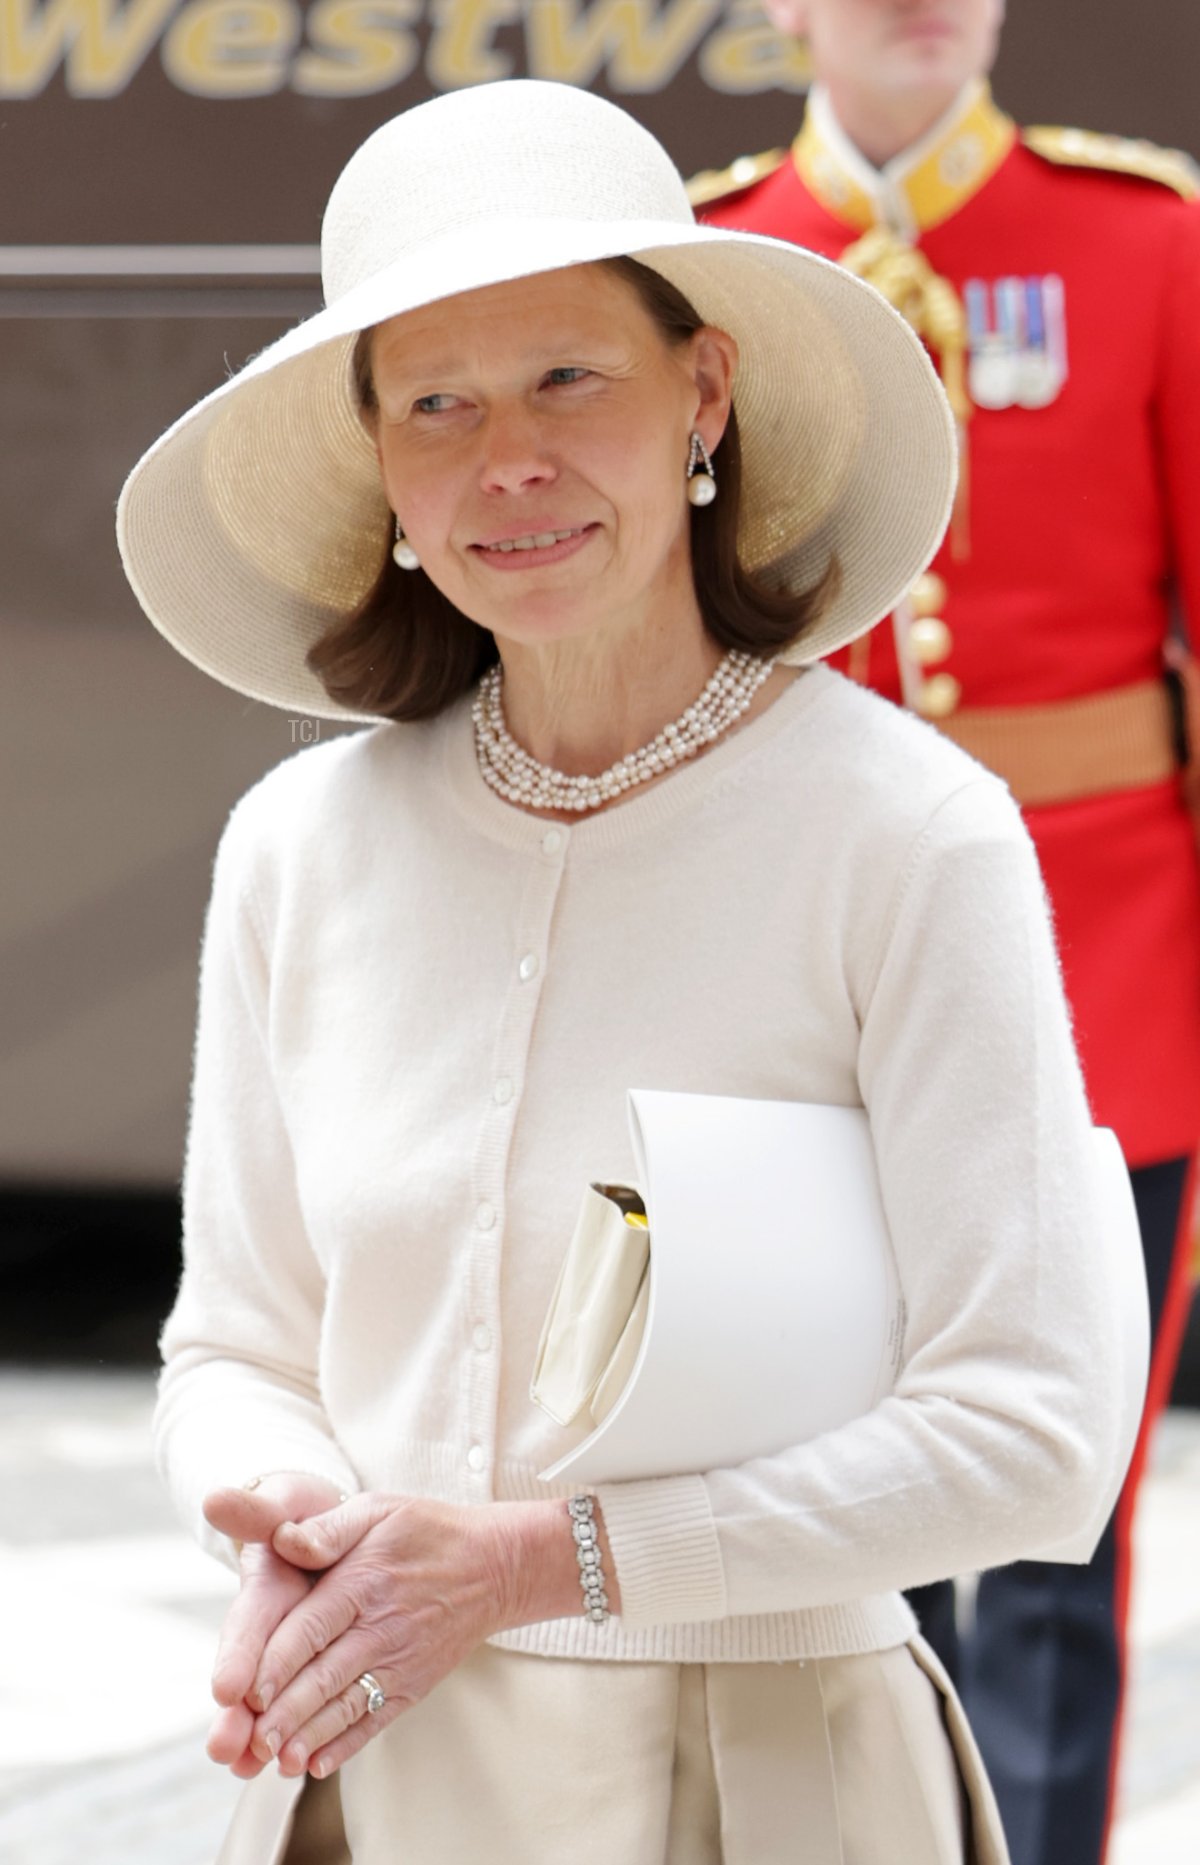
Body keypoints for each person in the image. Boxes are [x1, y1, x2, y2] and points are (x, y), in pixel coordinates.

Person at [119, 78, 1140, 1865]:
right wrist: (282, 1517)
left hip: (780, 1785)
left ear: (706, 393)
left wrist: (547, 1557)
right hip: (371, 1770)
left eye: (568, 378)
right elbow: (234, 1340)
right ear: (382, 466)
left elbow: (1040, 1427)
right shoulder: (297, 850)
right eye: (436, 402)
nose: (506, 458)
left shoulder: (910, 834)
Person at [689, 5, 1200, 1863]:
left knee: (1058, 1534)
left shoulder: (1146, 241)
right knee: (840, 1527)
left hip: (1108, 971)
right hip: (808, 977)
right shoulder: (715, 263)